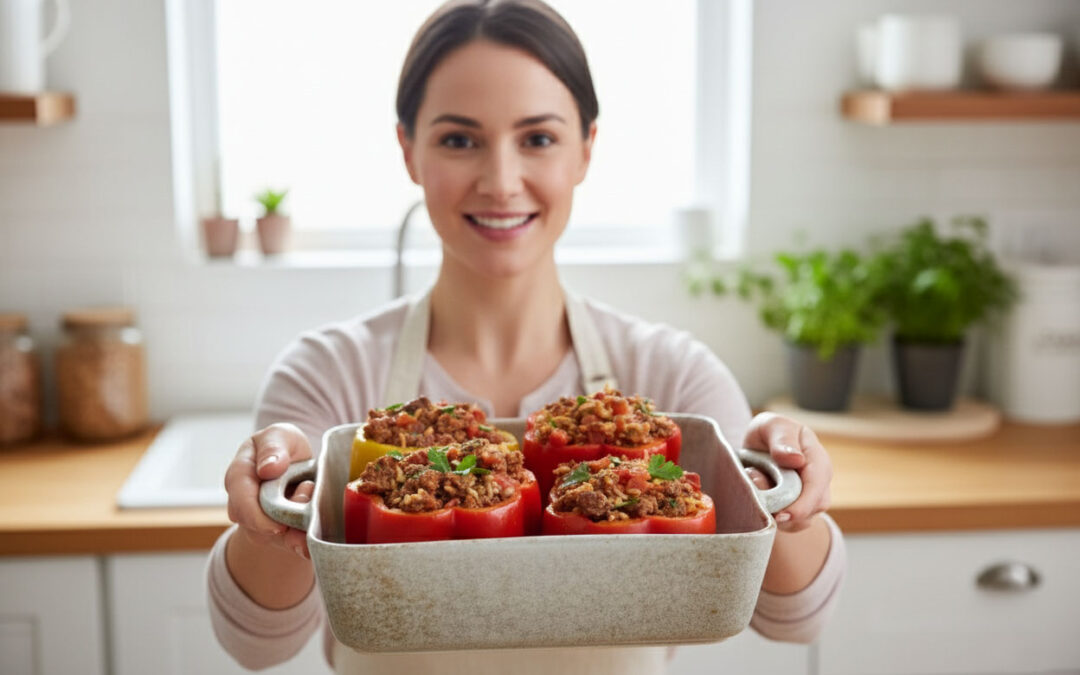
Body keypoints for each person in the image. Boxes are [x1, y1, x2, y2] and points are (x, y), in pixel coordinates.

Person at [207, 1, 845, 672]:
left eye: (537, 138)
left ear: (586, 150)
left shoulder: (670, 374)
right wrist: (268, 521)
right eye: (459, 139)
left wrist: (790, 496)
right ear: (407, 149)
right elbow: (257, 643)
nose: (501, 181)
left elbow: (795, 614)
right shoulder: (327, 373)